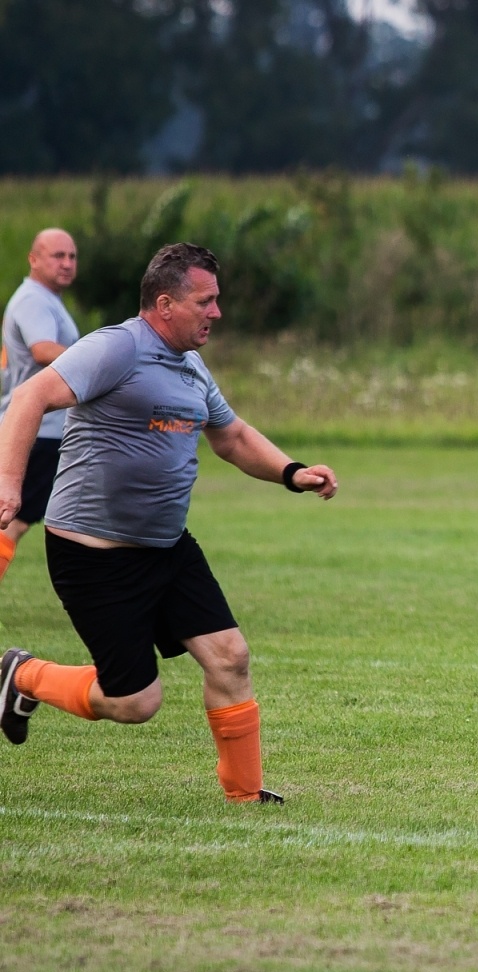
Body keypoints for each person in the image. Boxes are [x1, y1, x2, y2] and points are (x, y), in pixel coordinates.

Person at [0, 243, 338, 804]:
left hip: (166, 548)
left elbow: (231, 437)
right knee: (135, 702)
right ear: (165, 304)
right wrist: (9, 485)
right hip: (95, 556)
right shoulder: (116, 348)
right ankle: (22, 674)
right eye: (205, 301)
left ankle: (246, 796)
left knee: (230, 655)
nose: (216, 313)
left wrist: (291, 472)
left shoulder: (190, 366)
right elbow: (30, 396)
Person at [0, 228, 81, 585]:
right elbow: (42, 349)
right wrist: (96, 364)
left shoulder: (45, 298)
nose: (66, 263)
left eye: (72, 256)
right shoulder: (35, 299)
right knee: (12, 521)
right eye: (57, 256)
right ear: (33, 259)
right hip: (40, 431)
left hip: (41, 429)